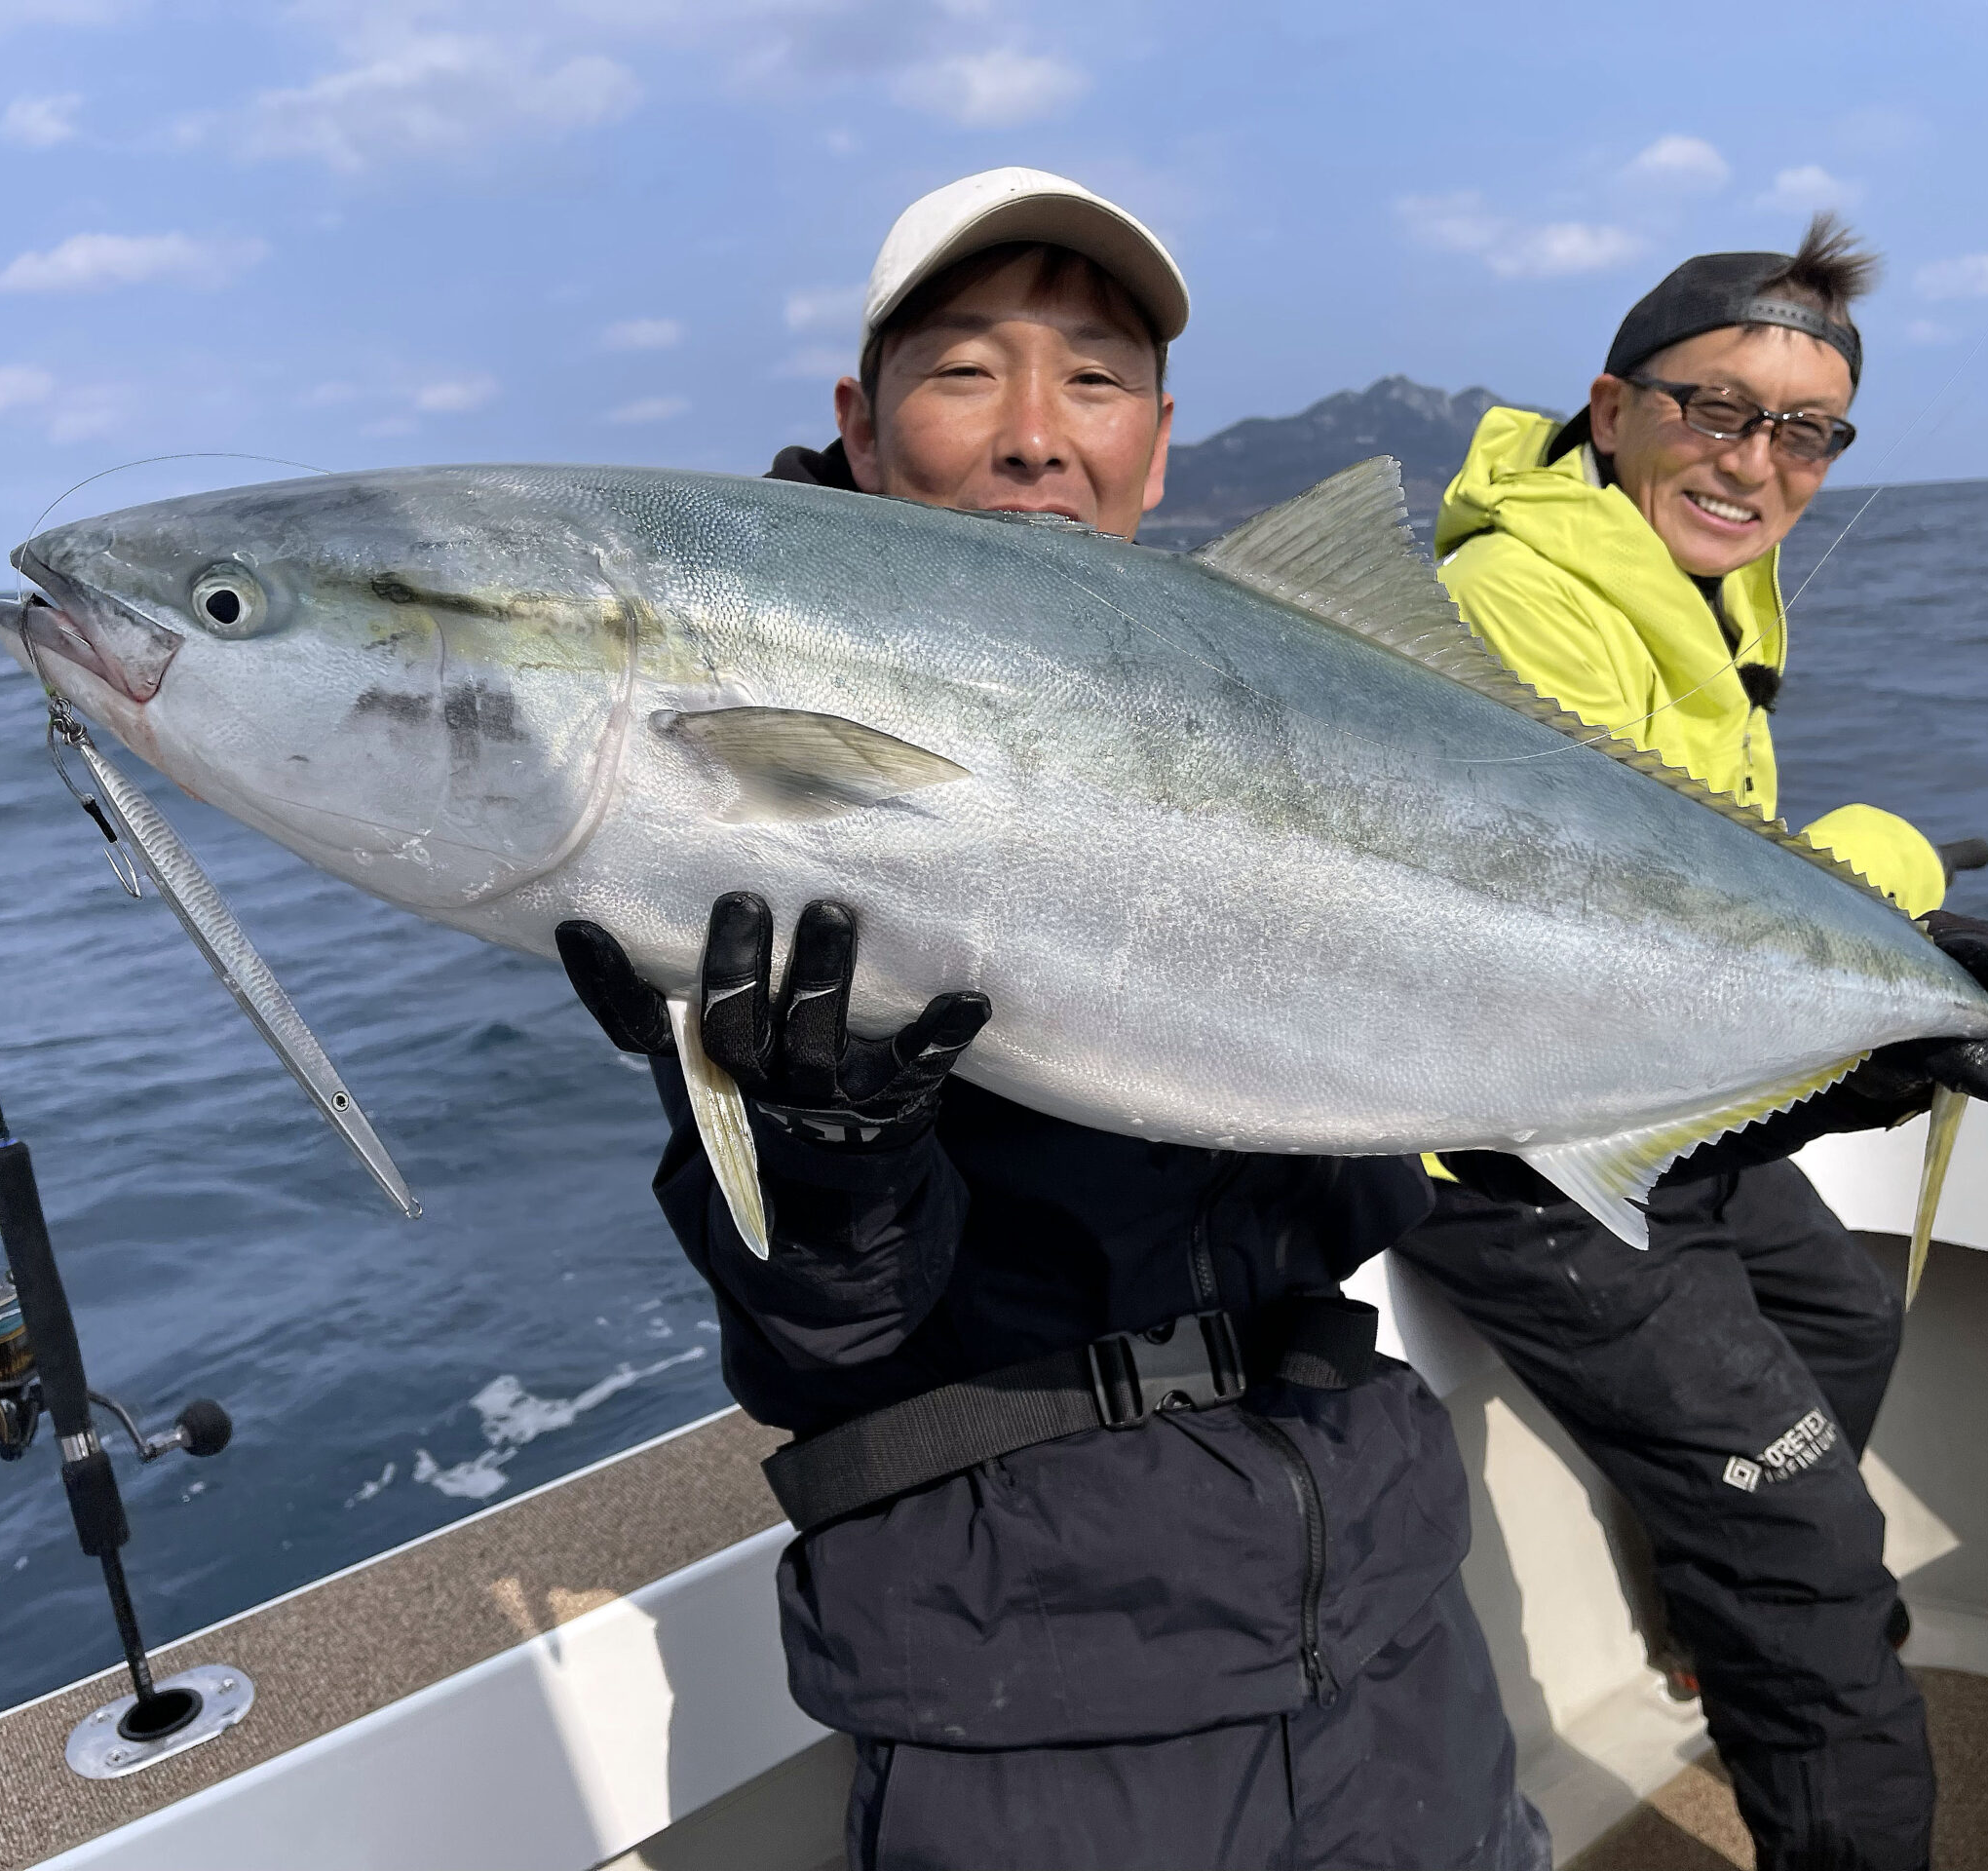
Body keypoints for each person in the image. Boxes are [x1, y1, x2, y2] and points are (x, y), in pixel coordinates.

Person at [559, 169, 1549, 1871]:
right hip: (1034, 1681)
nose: (1036, 435)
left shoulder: (1274, 731)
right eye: (965, 373)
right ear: (863, 432)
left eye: (1093, 380)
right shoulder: (748, 787)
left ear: (1156, 449)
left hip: (1379, 1613)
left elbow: (1471, 1098)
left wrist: (1828, 1054)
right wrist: (831, 1167)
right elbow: (818, 1340)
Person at [1404, 217, 1988, 1871]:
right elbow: (1632, 903)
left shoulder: (1692, 569)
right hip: (1524, 1141)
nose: (1755, 460)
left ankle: (1717, 1590)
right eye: (1715, 408)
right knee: (1817, 1565)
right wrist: (1902, 883)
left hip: (1662, 1097)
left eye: (1805, 431)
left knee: (1848, 1317)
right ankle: (1764, 1601)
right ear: (1614, 403)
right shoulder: (1524, 594)